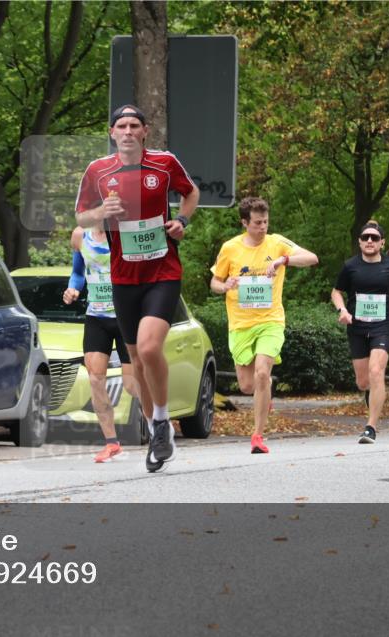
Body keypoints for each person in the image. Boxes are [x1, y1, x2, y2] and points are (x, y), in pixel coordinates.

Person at [75, 104, 200, 473]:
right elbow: (81, 216)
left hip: (163, 270)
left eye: (134, 125)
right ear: (112, 133)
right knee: (137, 359)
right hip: (123, 278)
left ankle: (161, 419)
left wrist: (181, 221)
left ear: (145, 131)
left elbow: (189, 194)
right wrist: (100, 214)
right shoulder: (97, 171)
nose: (127, 131)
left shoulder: (164, 163)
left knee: (148, 348)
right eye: (121, 126)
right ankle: (156, 429)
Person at [210, 196, 318, 454]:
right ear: (244, 222)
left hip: (271, 321)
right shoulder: (230, 248)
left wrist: (284, 261)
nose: (262, 227)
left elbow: (312, 258)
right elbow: (214, 282)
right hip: (240, 324)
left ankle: (257, 436)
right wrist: (224, 286)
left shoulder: (277, 243)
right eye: (257, 223)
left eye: (266, 222)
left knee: (261, 372)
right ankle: (265, 388)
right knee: (248, 385)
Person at [62, 225, 147, 463]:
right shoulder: (79, 235)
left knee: (132, 386)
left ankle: (158, 420)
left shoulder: (125, 236)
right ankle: (112, 443)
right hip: (96, 317)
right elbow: (78, 273)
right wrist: (72, 289)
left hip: (125, 317)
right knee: (95, 378)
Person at [330, 221, 389, 444]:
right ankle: (372, 396)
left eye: (374, 238)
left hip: (382, 326)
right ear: (359, 241)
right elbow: (336, 292)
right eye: (366, 237)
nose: (369, 241)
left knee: (376, 371)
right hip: (357, 326)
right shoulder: (350, 266)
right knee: (363, 381)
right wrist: (343, 310)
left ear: (382, 243)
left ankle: (371, 427)